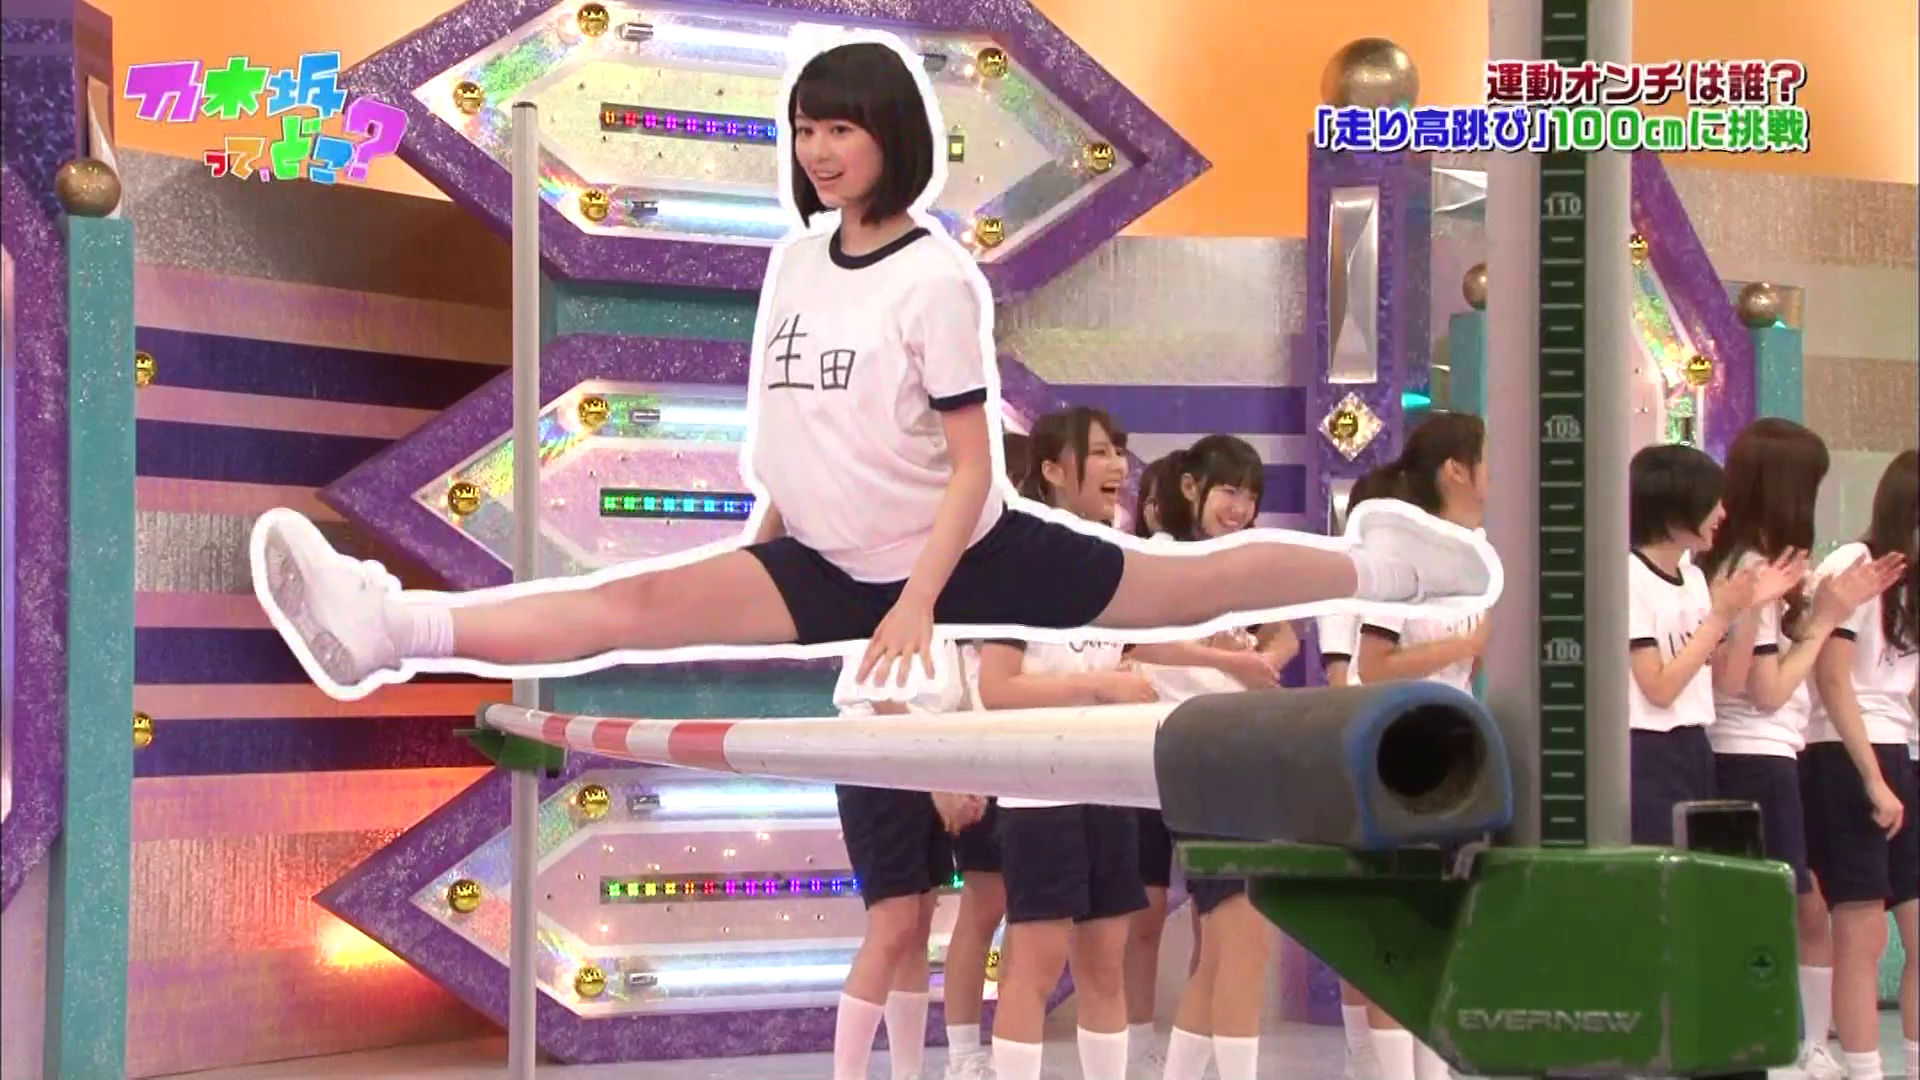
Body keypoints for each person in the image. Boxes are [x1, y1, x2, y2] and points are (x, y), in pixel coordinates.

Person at [250, 37, 1500, 708]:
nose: (819, 149)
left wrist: (917, 605)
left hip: (957, 555)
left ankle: (1379, 567)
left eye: (839, 128)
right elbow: (800, 425)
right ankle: (391, 631)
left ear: (890, 137)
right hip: (825, 556)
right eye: (806, 130)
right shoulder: (797, 262)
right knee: (628, 608)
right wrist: (766, 543)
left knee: (1185, 589)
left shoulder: (936, 279)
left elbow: (972, 469)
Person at [1696, 420, 1905, 1080]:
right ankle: (1792, 1048)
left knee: (1803, 908)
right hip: (1752, 754)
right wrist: (1825, 621)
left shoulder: (1757, 565)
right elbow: (1766, 690)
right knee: (1795, 911)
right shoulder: (1751, 569)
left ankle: (1800, 1046)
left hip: (1762, 753)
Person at [977, 405, 1154, 1080]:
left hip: (1109, 784)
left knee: (1105, 962)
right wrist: (1098, 687)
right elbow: (997, 686)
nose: (1118, 467)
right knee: (1036, 962)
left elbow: (1136, 650)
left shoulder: (1116, 561)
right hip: (1039, 791)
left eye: (1120, 453)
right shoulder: (1019, 563)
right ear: (1053, 470)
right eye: (1101, 452)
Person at [1130, 436, 1297, 1080]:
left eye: (1251, 496)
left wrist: (1264, 660)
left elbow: (1285, 633)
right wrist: (1233, 662)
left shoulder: (1238, 565)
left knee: (1228, 948)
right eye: (1230, 491)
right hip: (1198, 758)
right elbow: (1139, 644)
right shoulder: (1161, 556)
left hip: (1234, 755)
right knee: (1245, 942)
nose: (1240, 508)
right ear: (1191, 487)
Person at [1351, 413, 1496, 1080]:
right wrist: (1465, 645)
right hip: (1401, 748)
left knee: (1445, 924)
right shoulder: (1400, 554)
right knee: (1399, 925)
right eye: (1490, 457)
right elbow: (1373, 665)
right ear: (1455, 470)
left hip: (1462, 747)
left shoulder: (1484, 555)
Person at [1805, 449, 1918, 1080]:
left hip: (1899, 749)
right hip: (1845, 751)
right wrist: (1872, 777)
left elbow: (1907, 687)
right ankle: (1864, 1069)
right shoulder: (1854, 562)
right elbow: (1833, 679)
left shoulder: (1912, 584)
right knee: (1861, 931)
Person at [1625, 442, 1798, 846]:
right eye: (1712, 502)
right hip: (1648, 748)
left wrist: (1750, 608)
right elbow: (1659, 688)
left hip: (1697, 746)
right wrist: (1720, 616)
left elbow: (1727, 681)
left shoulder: (1693, 578)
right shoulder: (1630, 576)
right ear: (1676, 507)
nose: (1722, 514)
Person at [931, 432, 1029, 1080]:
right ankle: (965, 1053)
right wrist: (954, 773)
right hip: (979, 759)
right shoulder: (946, 569)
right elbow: (957, 683)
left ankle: (1014, 1044)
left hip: (1033, 762)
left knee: (1029, 911)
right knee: (985, 905)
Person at [830, 660, 970, 1080]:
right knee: (893, 924)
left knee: (918, 927)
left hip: (931, 756)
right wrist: (936, 780)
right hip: (878, 758)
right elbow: (880, 692)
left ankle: (908, 1073)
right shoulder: (888, 617)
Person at [1317, 466, 1410, 1080]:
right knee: (1371, 921)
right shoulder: (1342, 584)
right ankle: (1365, 1058)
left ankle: (1378, 1059)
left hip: (1423, 754)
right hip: (1365, 757)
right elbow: (1341, 679)